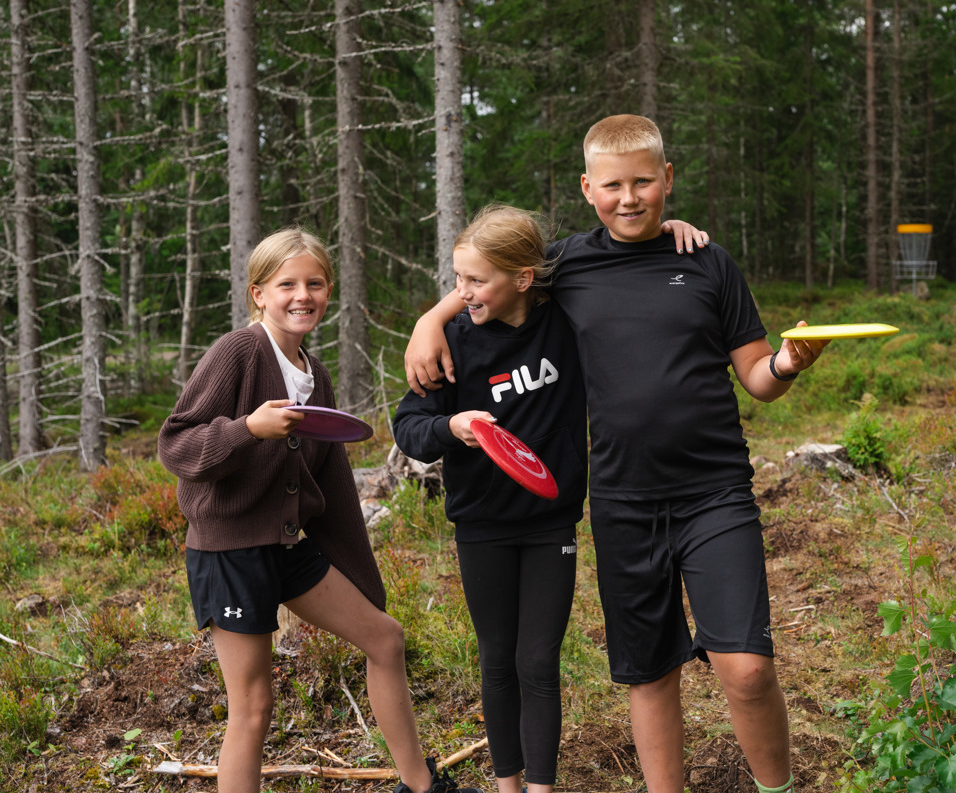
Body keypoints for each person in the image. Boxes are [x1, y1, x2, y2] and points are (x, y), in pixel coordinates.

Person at [404, 115, 829, 793]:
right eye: (612, 186)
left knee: (745, 668)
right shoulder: (565, 266)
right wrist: (430, 322)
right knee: (648, 672)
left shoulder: (707, 261)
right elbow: (488, 277)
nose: (628, 199)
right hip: (623, 502)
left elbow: (758, 379)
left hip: (714, 492)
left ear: (667, 179)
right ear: (587, 188)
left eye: (642, 183)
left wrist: (787, 361)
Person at [158, 227, 480, 793]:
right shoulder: (237, 352)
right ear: (258, 293)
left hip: (288, 548)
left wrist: (363, 583)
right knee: (253, 705)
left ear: (329, 291)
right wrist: (247, 430)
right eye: (287, 284)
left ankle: (421, 787)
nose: (301, 295)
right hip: (229, 551)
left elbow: (331, 488)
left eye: (314, 283)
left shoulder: (316, 375)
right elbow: (176, 444)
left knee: (385, 638)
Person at [392, 204, 587, 793]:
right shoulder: (453, 341)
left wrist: (676, 229)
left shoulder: (566, 319)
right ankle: (507, 785)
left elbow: (617, 243)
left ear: (523, 278)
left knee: (538, 663)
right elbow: (408, 426)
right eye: (456, 280)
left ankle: (540, 788)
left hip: (551, 520)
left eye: (475, 281)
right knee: (497, 660)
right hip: (481, 524)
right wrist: (454, 427)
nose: (462, 292)